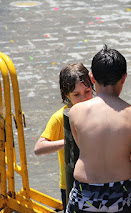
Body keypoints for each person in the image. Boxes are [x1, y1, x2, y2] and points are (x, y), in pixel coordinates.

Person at [66, 45, 131, 212]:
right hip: (120, 193)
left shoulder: (76, 112)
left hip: (85, 193)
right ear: (124, 78)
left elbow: (83, 147)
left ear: (92, 78)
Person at [34, 62, 93, 210]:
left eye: (87, 91)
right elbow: (39, 148)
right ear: (66, 94)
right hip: (70, 184)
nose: (84, 98)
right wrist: (68, 141)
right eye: (76, 95)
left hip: (97, 180)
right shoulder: (60, 118)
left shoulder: (98, 110)